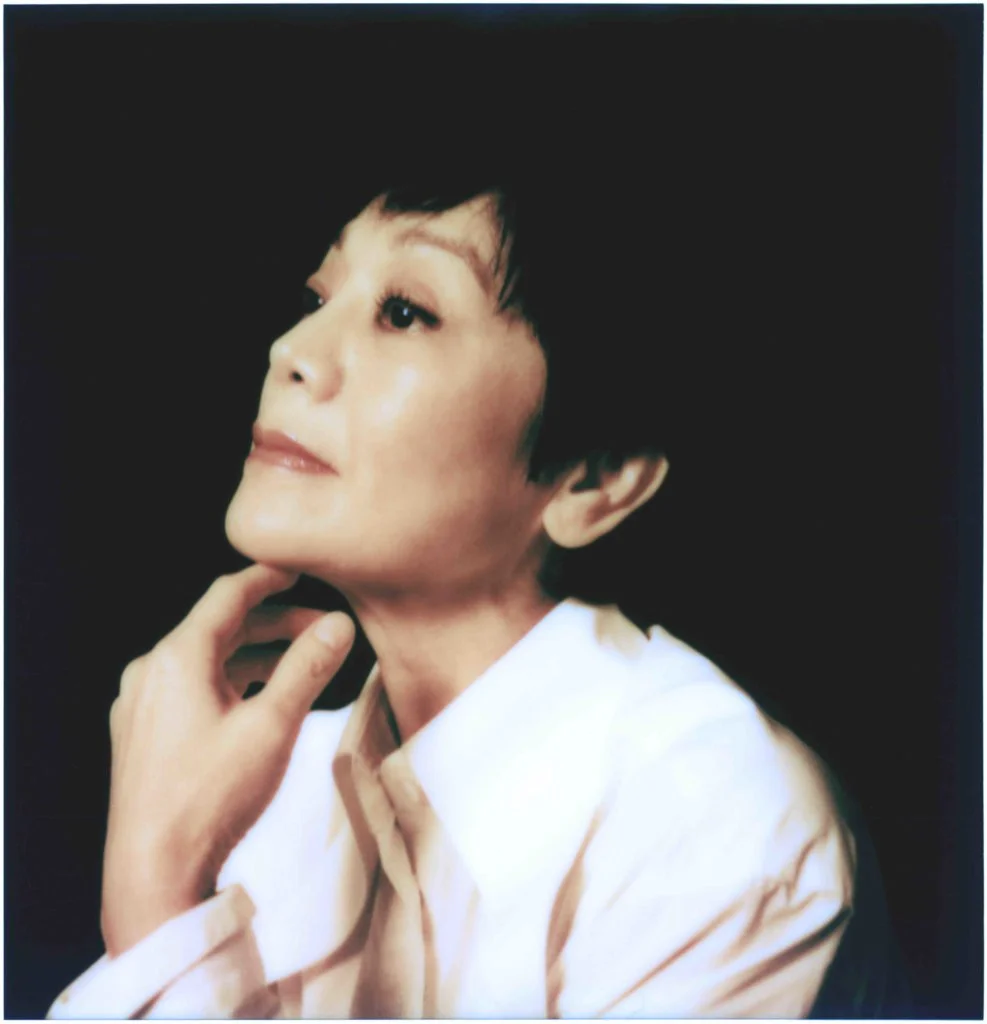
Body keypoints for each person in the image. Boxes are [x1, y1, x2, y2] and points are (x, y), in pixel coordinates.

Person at [48, 178, 858, 1018]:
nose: (292, 349)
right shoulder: (269, 786)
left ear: (595, 479)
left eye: (403, 313)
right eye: (318, 296)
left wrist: (159, 902)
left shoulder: (718, 832)